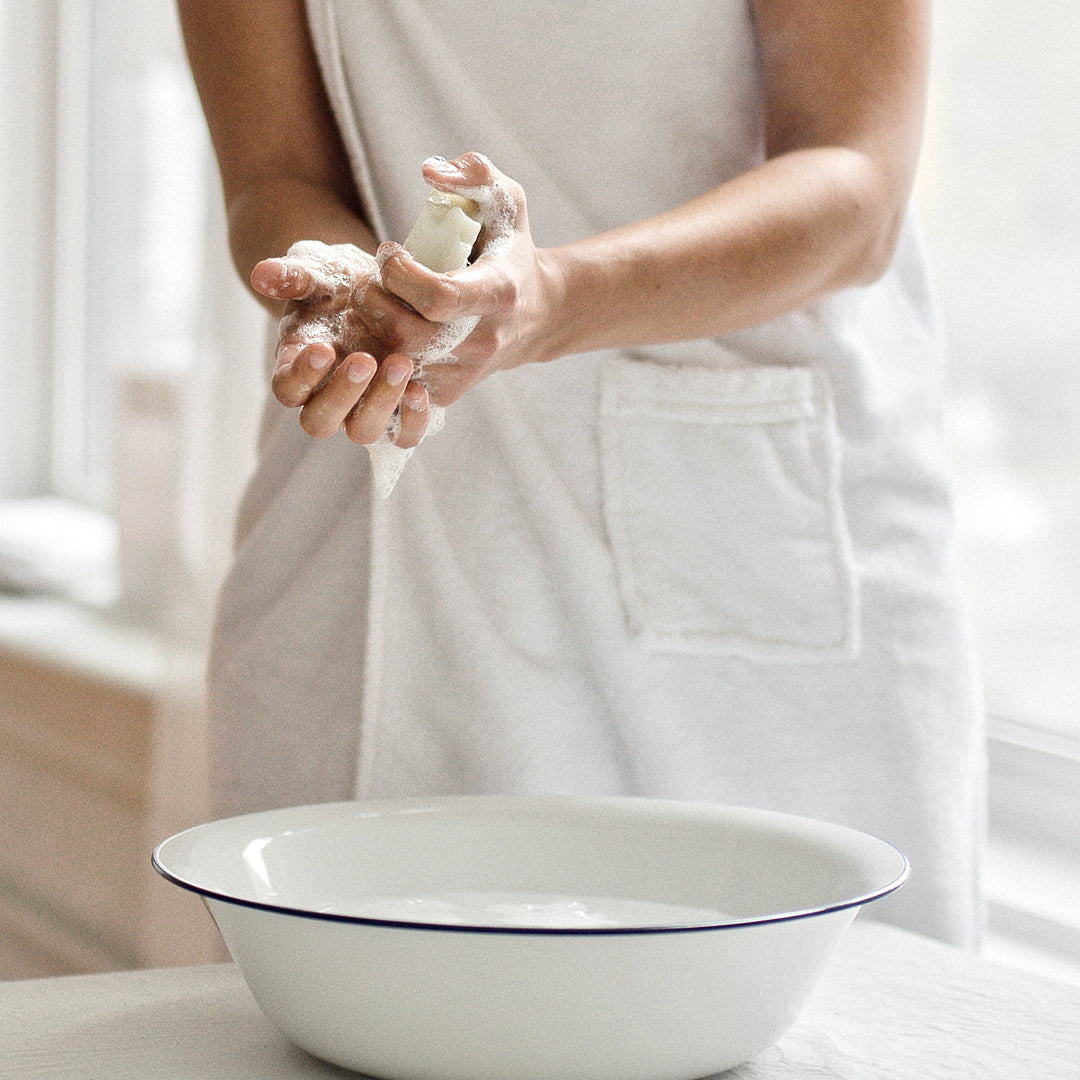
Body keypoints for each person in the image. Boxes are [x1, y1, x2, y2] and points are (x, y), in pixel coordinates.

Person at [177, 0, 986, 947]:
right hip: (352, 551)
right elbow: (274, 175)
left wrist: (550, 301)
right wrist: (346, 286)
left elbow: (859, 187)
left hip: (741, 556)